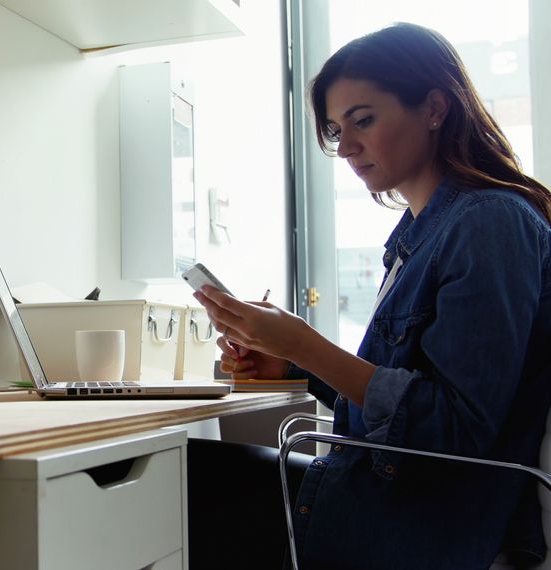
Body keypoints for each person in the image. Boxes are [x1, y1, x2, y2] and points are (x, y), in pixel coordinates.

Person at [188, 22, 551, 570]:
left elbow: (452, 431)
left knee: (180, 480)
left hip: (429, 523)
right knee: (187, 474)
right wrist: (293, 364)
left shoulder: (488, 223)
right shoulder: (420, 234)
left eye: (363, 121)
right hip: (393, 496)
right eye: (337, 130)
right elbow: (398, 407)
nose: (347, 148)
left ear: (434, 108)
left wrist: (307, 347)